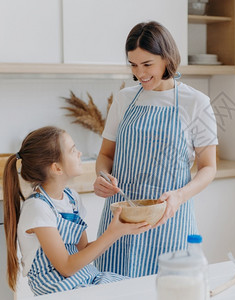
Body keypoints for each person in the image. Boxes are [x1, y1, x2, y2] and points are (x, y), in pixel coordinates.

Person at [93, 21, 218, 277]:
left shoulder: (196, 103)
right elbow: (106, 155)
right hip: (121, 221)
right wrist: (103, 177)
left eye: (147, 64)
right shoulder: (124, 99)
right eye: (133, 65)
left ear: (166, 59)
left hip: (169, 220)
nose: (140, 73)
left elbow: (208, 167)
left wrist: (180, 196)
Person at [2, 126, 151, 296]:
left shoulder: (71, 198)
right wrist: (112, 233)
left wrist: (122, 229)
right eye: (73, 151)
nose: (79, 154)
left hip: (84, 278)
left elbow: (83, 250)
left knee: (140, 290)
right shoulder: (38, 208)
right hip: (59, 289)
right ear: (57, 168)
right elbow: (66, 267)